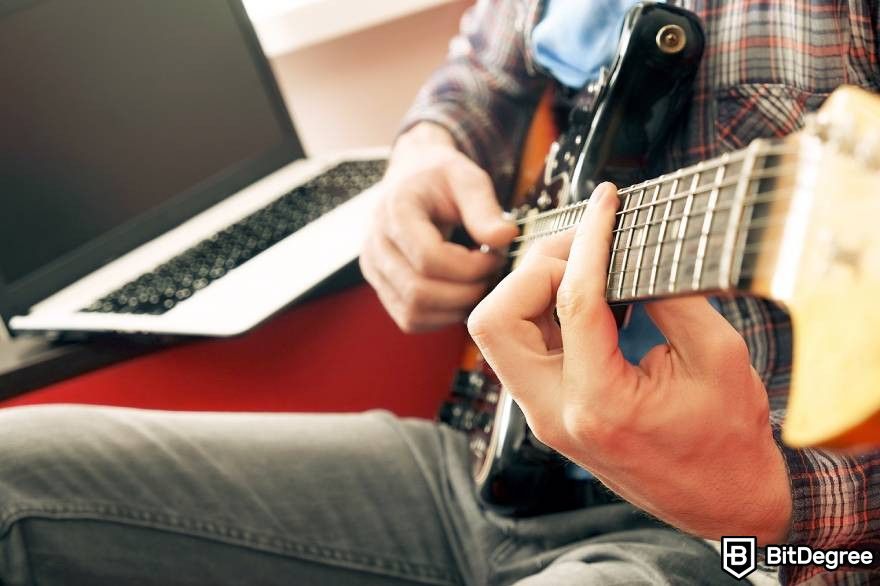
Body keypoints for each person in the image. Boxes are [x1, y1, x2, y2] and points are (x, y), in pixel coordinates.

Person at [0, 1, 877, 584]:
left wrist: (769, 509)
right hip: (471, 462)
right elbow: (478, 77)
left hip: (715, 545)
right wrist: (423, 153)